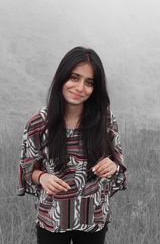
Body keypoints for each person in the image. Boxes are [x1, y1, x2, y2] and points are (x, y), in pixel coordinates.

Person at [18, 46, 126, 244]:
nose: (79, 88)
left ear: (95, 88)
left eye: (89, 82)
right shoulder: (38, 124)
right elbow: (28, 170)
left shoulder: (106, 120)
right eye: (74, 78)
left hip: (93, 219)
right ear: (62, 77)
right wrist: (42, 177)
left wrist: (113, 166)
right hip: (52, 219)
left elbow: (118, 164)